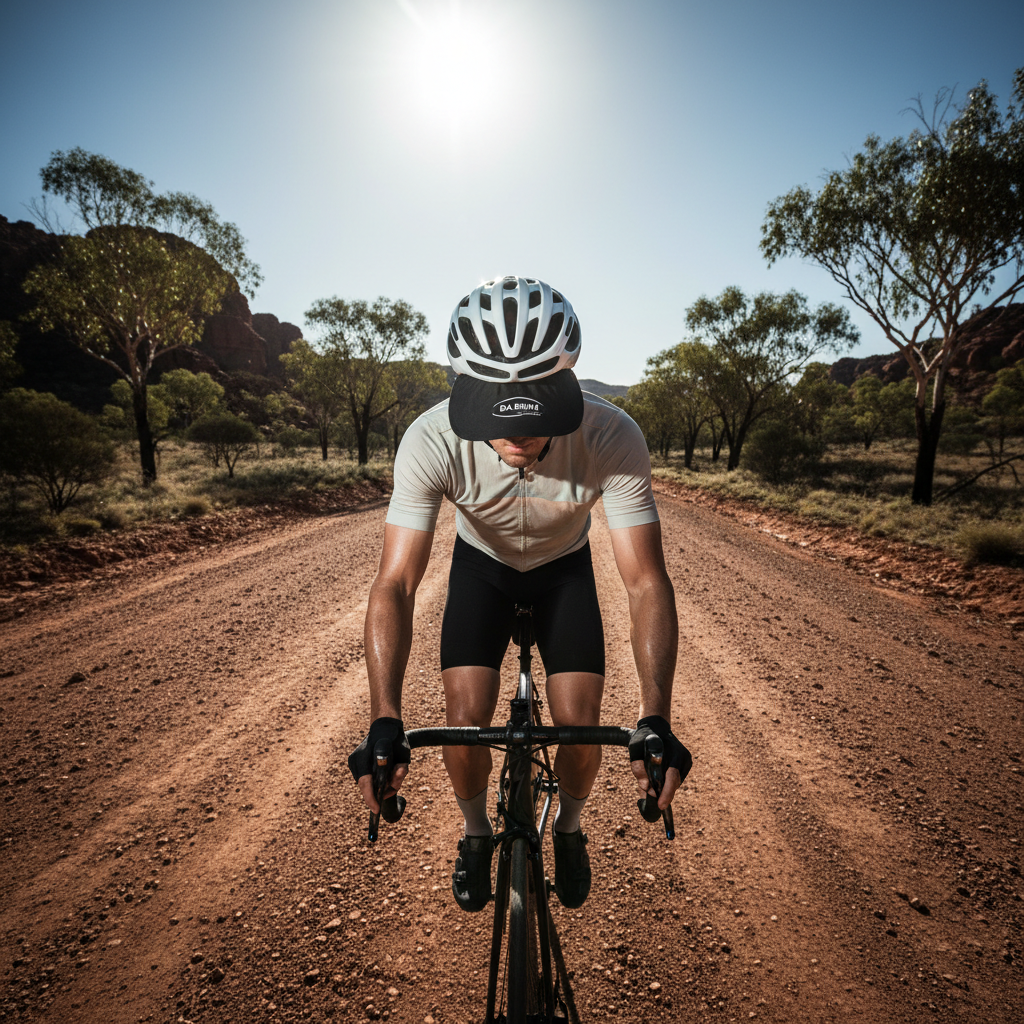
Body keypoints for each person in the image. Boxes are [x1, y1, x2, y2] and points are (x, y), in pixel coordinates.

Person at [349, 275, 691, 912]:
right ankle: (476, 834)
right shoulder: (430, 439)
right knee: (464, 717)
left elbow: (645, 579)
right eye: (499, 420)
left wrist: (656, 717)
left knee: (580, 724)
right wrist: (384, 718)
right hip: (482, 568)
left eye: (535, 418)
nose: (517, 439)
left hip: (566, 569)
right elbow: (395, 580)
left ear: (565, 390)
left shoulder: (611, 434)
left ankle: (569, 827)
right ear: (468, 394)